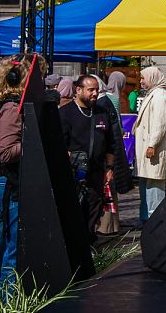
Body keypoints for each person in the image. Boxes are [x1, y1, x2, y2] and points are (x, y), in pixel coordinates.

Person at [59, 74, 116, 240]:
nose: (95, 93)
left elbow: (110, 143)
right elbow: (60, 144)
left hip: (97, 173)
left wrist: (110, 168)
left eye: (97, 90)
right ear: (78, 90)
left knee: (94, 209)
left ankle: (89, 242)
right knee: (75, 212)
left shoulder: (101, 112)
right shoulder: (65, 113)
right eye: (90, 89)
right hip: (75, 175)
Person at [0, 60, 24, 283]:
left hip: (8, 181)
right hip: (9, 183)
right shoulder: (11, 110)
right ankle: (7, 298)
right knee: (10, 246)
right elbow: (6, 152)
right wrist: (34, 140)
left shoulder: (9, 107)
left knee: (7, 244)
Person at [134, 66, 166, 224]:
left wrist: (152, 145)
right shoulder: (153, 93)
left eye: (143, 78)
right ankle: (145, 218)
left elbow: (160, 123)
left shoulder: (160, 96)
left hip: (152, 150)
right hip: (147, 150)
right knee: (146, 184)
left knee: (154, 186)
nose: (141, 81)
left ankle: (154, 221)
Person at [95, 72, 127, 236]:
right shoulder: (110, 99)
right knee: (109, 189)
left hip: (107, 152)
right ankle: (111, 225)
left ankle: (106, 226)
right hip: (113, 149)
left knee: (106, 189)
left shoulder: (102, 102)